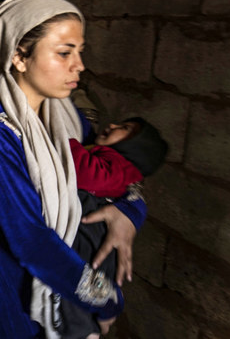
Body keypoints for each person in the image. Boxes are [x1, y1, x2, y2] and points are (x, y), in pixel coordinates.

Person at [0, 0, 148, 338]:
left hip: (67, 287)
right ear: (19, 57)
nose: (79, 65)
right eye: (64, 53)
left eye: (79, 51)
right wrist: (106, 300)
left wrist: (129, 214)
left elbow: (117, 173)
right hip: (17, 295)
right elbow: (32, 241)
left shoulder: (65, 115)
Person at [61, 117, 168, 338]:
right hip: (92, 232)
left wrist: (63, 141)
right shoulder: (110, 158)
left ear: (136, 149)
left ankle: (85, 329)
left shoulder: (117, 163)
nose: (111, 125)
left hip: (93, 233)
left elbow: (88, 174)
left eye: (125, 129)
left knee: (76, 287)